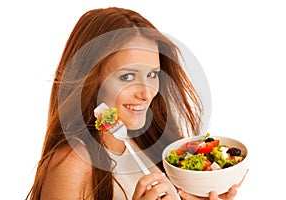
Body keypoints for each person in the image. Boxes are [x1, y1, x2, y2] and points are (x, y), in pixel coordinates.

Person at [26, 7, 240, 200]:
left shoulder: (153, 146)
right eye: (127, 77)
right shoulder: (72, 164)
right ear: (90, 80)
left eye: (152, 74)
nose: (147, 93)